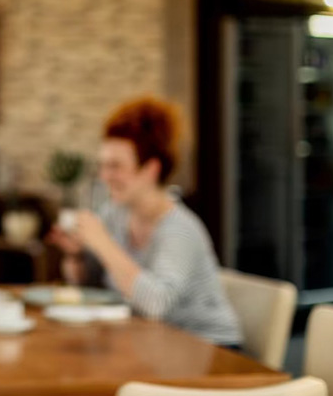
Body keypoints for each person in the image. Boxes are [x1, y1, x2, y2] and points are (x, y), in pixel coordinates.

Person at [48, 96, 242, 346]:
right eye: (103, 165)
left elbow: (156, 305)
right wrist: (75, 255)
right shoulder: (114, 214)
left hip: (210, 351)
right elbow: (90, 282)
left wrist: (103, 243)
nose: (105, 176)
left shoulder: (180, 229)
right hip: (154, 347)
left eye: (116, 166)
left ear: (151, 169)